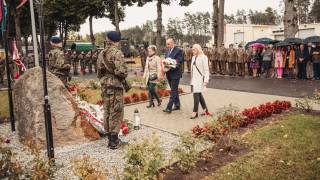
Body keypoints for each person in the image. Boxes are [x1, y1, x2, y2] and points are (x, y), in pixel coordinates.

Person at [97, 31, 128, 149]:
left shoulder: (102, 53)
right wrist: (116, 75)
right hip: (115, 87)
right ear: (118, 41)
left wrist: (105, 79)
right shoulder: (117, 53)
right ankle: (113, 141)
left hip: (105, 86)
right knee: (116, 111)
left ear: (107, 39)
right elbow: (123, 72)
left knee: (107, 110)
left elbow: (99, 72)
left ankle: (110, 137)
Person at [163, 38, 183, 114]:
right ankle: (177, 105)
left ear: (172, 43)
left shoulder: (178, 51)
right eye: (166, 44)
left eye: (168, 44)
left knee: (173, 91)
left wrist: (169, 65)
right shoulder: (167, 51)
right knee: (174, 90)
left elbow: (178, 63)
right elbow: (165, 61)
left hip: (175, 74)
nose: (167, 45)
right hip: (169, 74)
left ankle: (169, 108)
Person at [190, 44, 210, 119]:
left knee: (196, 94)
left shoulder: (204, 57)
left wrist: (205, 81)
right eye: (192, 50)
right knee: (199, 94)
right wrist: (191, 79)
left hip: (200, 79)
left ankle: (195, 112)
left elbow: (206, 70)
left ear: (198, 49)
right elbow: (192, 69)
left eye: (194, 50)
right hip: (194, 79)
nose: (192, 51)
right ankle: (205, 110)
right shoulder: (193, 57)